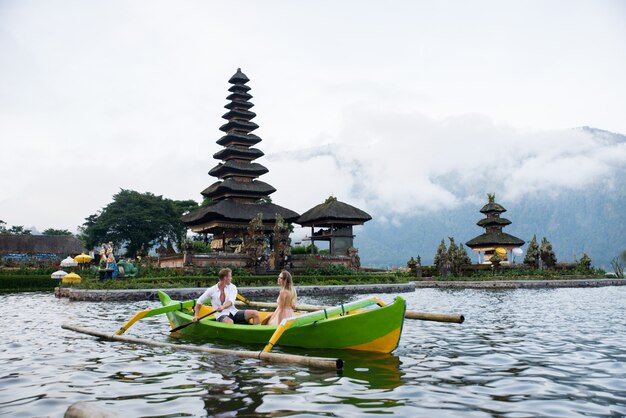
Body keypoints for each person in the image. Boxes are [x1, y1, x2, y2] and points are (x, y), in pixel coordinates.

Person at [193, 268, 260, 325]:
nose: (231, 278)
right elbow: (199, 301)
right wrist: (196, 316)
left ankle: (256, 333)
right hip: (221, 315)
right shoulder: (211, 290)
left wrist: (223, 307)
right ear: (225, 278)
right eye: (230, 276)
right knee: (229, 322)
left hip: (234, 312)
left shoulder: (232, 287)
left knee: (255, 313)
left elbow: (230, 301)